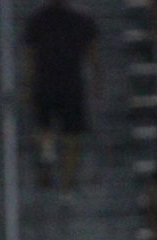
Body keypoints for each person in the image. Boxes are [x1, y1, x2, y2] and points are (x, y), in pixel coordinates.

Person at [22, 0, 100, 193]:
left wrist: (27, 87)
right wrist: (98, 79)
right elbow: (93, 53)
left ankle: (47, 156)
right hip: (70, 84)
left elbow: (30, 55)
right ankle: (66, 185)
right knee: (72, 137)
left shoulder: (38, 17)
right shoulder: (82, 18)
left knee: (45, 128)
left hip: (46, 82)